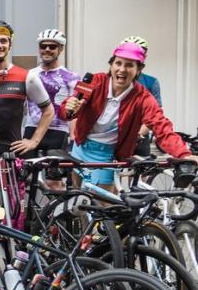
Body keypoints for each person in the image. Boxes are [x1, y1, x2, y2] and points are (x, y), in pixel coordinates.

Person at [57, 41, 198, 192]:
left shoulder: (143, 97)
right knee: (76, 196)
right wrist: (69, 108)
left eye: (129, 65)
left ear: (138, 70)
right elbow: (67, 110)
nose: (122, 69)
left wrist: (184, 154)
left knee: (103, 205)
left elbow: (161, 126)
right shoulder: (93, 81)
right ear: (111, 65)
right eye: (118, 63)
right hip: (80, 146)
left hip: (106, 155)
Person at [0, 21, 54, 160]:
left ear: (10, 45)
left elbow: (48, 111)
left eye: (3, 41)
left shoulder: (27, 77)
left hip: (12, 151)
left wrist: (33, 141)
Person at [26, 29, 79, 156]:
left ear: (60, 49)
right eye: (43, 46)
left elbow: (74, 111)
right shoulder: (29, 74)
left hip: (58, 130)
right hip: (32, 128)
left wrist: (73, 137)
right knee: (26, 172)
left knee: (54, 174)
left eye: (52, 46)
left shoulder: (71, 77)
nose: (47, 49)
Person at [123, 35, 162, 155]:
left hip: (140, 135)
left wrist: (139, 134)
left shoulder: (151, 82)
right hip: (115, 135)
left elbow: (155, 113)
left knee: (140, 170)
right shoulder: (112, 79)